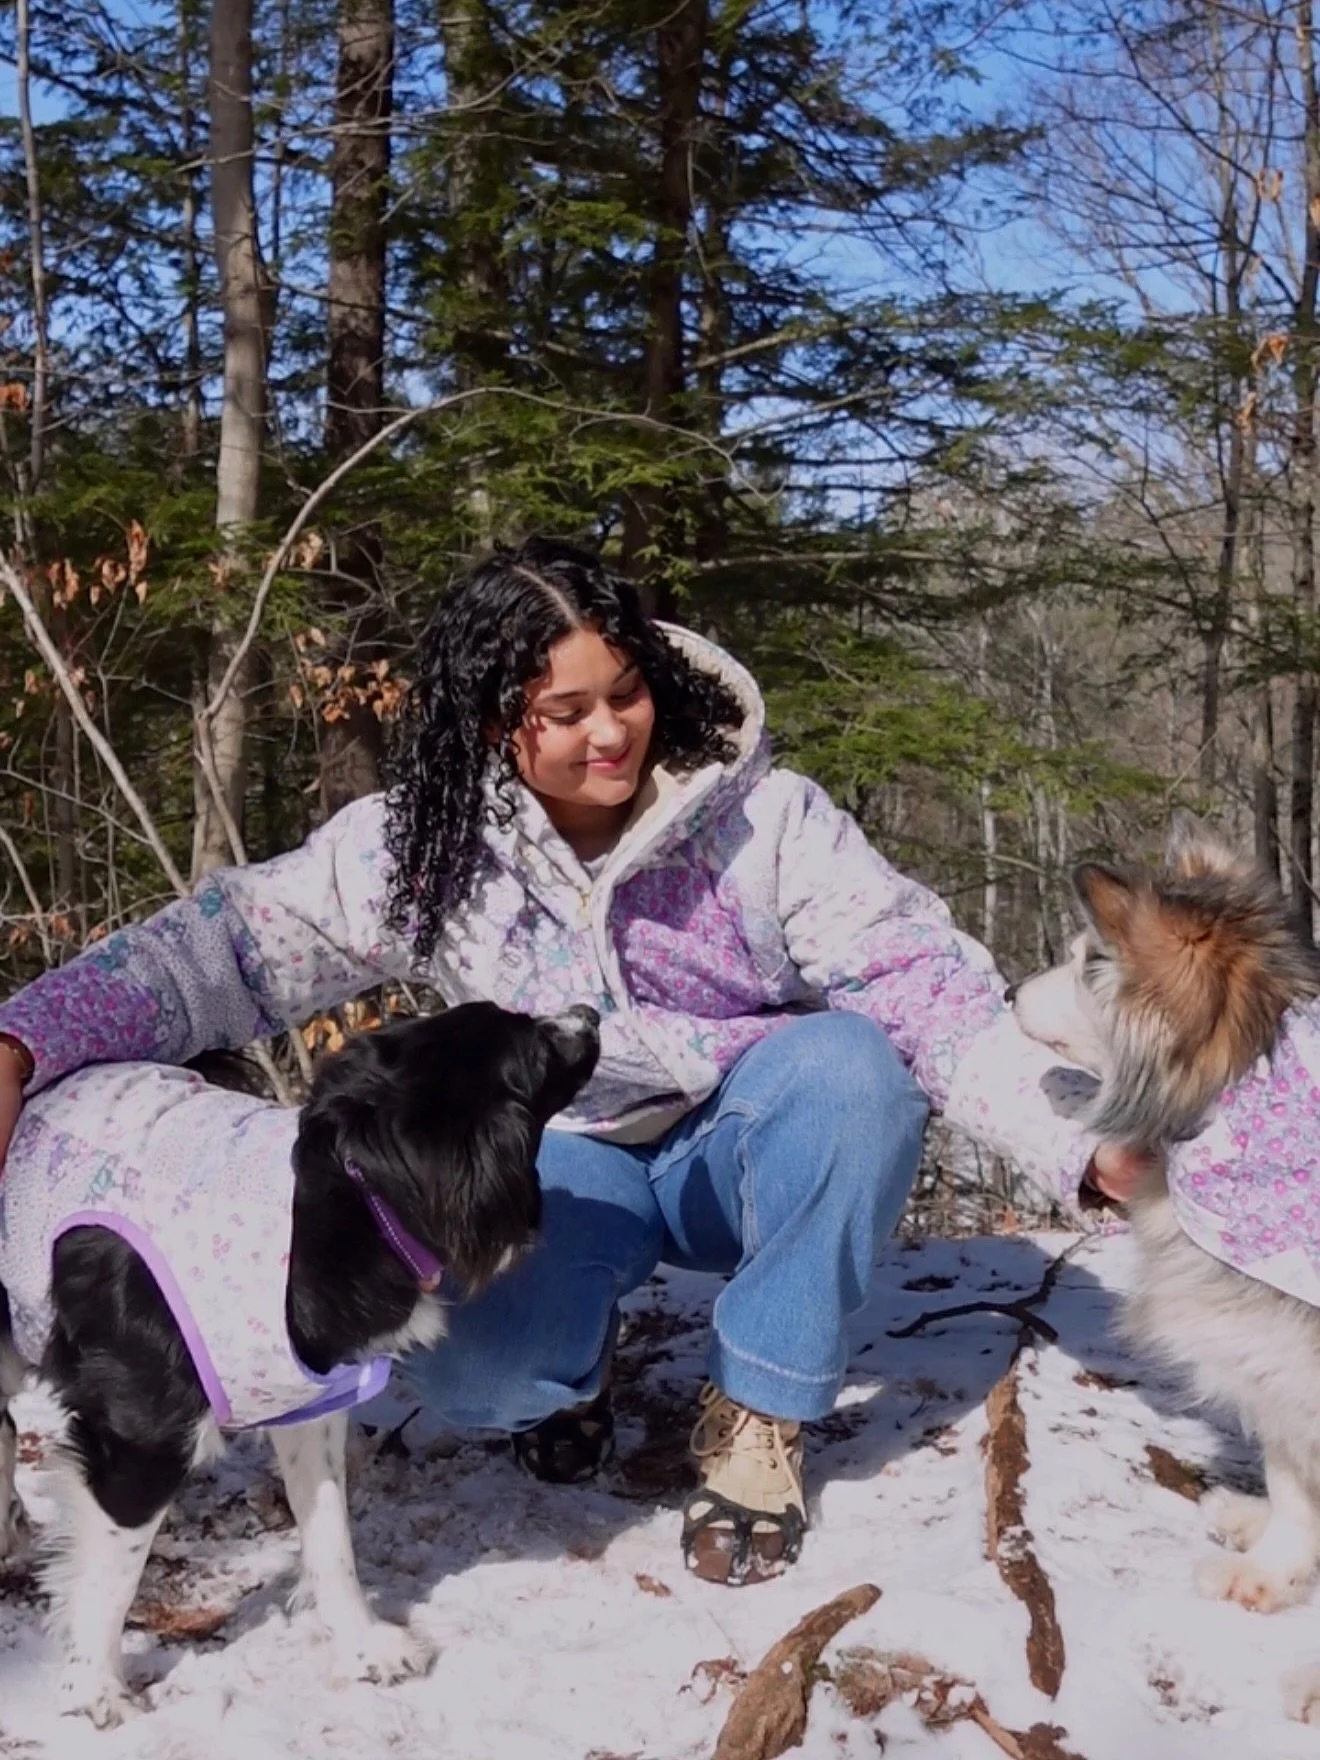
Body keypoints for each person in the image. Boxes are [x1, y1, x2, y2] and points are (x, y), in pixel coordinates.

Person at [0, 536, 1147, 1588]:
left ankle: (761, 1409)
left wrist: (1073, 1140)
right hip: (565, 1163)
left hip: (742, 1143)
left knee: (855, 1067)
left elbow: (927, 993)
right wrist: (24, 1038)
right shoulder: (427, 847)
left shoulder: (769, 823)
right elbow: (220, 951)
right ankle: (574, 1369)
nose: (610, 732)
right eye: (567, 710)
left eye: (628, 694)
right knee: (474, 1373)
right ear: (500, 720)